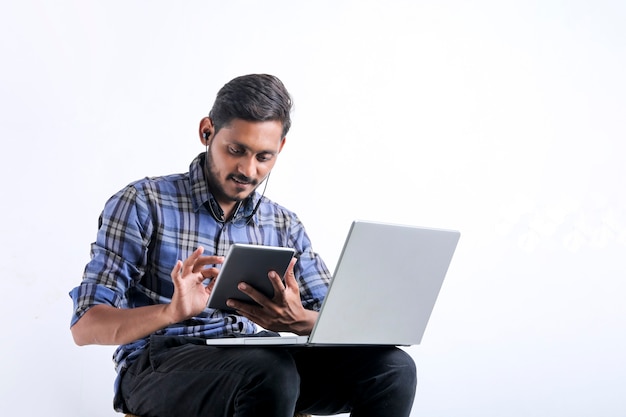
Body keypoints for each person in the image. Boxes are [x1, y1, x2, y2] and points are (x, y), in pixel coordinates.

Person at [69, 74, 417, 417]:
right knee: (270, 372)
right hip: (158, 365)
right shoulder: (143, 202)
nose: (248, 170)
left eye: (264, 157)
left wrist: (298, 320)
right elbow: (85, 327)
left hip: (255, 361)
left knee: (392, 369)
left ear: (280, 148)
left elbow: (340, 321)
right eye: (236, 150)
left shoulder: (282, 224)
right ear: (207, 132)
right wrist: (170, 312)